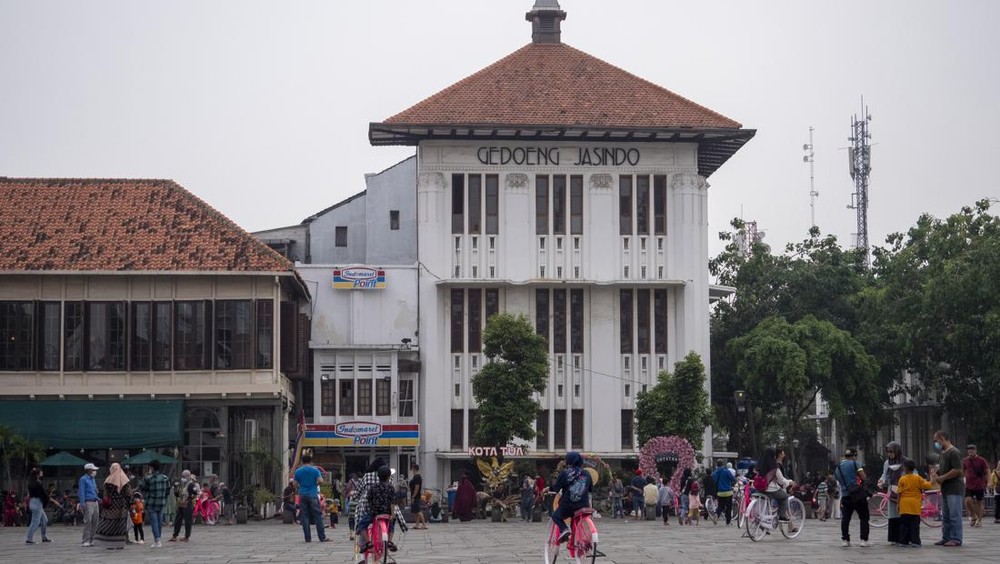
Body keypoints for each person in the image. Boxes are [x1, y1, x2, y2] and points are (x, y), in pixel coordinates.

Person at [930, 430, 964, 547]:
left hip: (954, 489)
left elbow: (958, 470)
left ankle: (956, 538)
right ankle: (946, 537)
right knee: (946, 516)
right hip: (945, 489)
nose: (936, 444)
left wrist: (942, 478)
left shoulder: (954, 452)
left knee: (954, 515)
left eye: (936, 441)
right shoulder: (943, 453)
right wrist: (936, 472)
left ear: (943, 438)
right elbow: (943, 468)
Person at [550, 451, 593, 543]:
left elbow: (556, 488)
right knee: (577, 518)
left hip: (569, 506)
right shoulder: (587, 474)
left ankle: (564, 529)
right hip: (584, 506)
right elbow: (590, 489)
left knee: (555, 516)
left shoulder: (565, 473)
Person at [357, 466, 396, 558]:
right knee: (392, 524)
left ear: (378, 476)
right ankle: (389, 541)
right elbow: (393, 503)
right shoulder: (391, 488)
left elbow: (368, 499)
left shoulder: (373, 487)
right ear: (389, 477)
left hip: (375, 514)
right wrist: (392, 514)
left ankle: (368, 542)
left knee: (362, 524)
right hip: (387, 514)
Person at [835, 447, 869, 547]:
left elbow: (839, 480)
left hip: (845, 496)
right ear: (854, 455)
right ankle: (863, 540)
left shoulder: (838, 467)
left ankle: (845, 540)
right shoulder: (855, 463)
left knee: (845, 518)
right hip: (858, 495)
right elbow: (863, 477)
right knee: (864, 517)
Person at [292, 453, 329, 543]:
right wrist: (315, 484)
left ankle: (307, 538)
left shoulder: (298, 471)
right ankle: (322, 537)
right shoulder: (315, 470)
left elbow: (294, 484)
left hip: (302, 494)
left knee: (304, 516)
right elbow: (321, 481)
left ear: (302, 461)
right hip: (312, 494)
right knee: (317, 515)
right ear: (311, 461)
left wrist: (300, 486)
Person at [897, 459, 933, 547]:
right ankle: (915, 541)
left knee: (904, 525)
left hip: (904, 504)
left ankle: (903, 541)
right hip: (915, 504)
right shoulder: (918, 478)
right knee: (915, 525)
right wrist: (932, 480)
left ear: (905, 468)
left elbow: (899, 493)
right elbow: (927, 485)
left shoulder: (902, 479)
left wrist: (898, 504)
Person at [94, 462, 131, 550]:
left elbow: (105, 495)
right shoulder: (125, 480)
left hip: (110, 507)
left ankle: (108, 543)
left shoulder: (108, 480)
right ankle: (119, 544)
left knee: (109, 523)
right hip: (122, 507)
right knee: (120, 524)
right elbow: (129, 493)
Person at [878, 441, 908, 545]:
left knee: (902, 513)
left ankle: (903, 537)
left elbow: (913, 473)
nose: (890, 454)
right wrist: (881, 481)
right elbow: (884, 475)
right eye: (888, 452)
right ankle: (893, 538)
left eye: (891, 451)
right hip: (892, 490)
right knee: (892, 514)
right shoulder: (887, 463)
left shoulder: (905, 461)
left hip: (904, 490)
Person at [758, 447, 795, 527]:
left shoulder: (759, 465)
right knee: (784, 497)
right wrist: (789, 482)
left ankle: (765, 522)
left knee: (769, 503)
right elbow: (781, 480)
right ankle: (782, 516)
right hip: (770, 489)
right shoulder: (773, 466)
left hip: (760, 489)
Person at [139, 459, 170, 548]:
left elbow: (142, 487)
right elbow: (168, 490)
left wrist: (146, 475)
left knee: (154, 522)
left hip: (152, 502)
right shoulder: (165, 478)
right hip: (161, 502)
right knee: (159, 522)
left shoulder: (148, 478)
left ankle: (157, 540)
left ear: (151, 467)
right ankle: (158, 539)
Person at [25, 468, 56, 544]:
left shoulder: (31, 482)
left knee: (44, 520)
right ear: (37, 474)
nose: (42, 474)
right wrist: (54, 501)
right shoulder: (37, 483)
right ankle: (29, 539)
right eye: (41, 473)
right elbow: (43, 494)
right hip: (37, 503)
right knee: (35, 522)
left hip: (33, 502)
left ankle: (44, 537)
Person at [962, 444, 989, 528]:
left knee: (979, 502)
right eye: (969, 451)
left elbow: (987, 471)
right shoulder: (965, 460)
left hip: (979, 484)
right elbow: (962, 471)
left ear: (975, 451)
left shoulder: (981, 460)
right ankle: (974, 516)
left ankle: (979, 521)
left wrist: (989, 482)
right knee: (967, 500)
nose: (971, 453)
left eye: (972, 451)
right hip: (969, 485)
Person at [169, 469, 199, 543]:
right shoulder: (181, 484)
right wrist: (177, 495)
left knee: (188, 521)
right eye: (183, 476)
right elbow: (177, 492)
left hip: (187, 504)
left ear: (188, 476)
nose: (183, 477)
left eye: (185, 476)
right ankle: (175, 535)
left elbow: (195, 493)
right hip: (180, 503)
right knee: (178, 519)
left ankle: (187, 536)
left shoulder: (191, 484)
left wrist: (189, 499)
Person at [79, 462, 100, 547]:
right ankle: (85, 540)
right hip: (88, 502)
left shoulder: (93, 479)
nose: (95, 471)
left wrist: (98, 498)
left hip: (95, 501)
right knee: (88, 521)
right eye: (93, 470)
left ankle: (92, 539)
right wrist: (82, 503)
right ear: (88, 470)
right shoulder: (83, 479)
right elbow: (81, 491)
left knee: (95, 521)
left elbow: (94, 491)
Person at [712, 459, 735, 525]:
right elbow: (733, 479)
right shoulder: (726, 471)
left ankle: (717, 514)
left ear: (717, 464)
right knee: (728, 507)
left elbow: (714, 480)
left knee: (720, 506)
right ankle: (728, 521)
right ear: (723, 464)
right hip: (728, 492)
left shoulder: (715, 472)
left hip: (720, 492)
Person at [409, 464, 427, 529]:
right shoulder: (415, 477)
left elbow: (417, 487)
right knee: (415, 511)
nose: (412, 470)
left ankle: (424, 524)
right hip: (415, 496)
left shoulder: (417, 477)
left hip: (416, 496)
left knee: (418, 510)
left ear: (414, 469)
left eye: (412, 468)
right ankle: (417, 524)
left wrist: (413, 496)